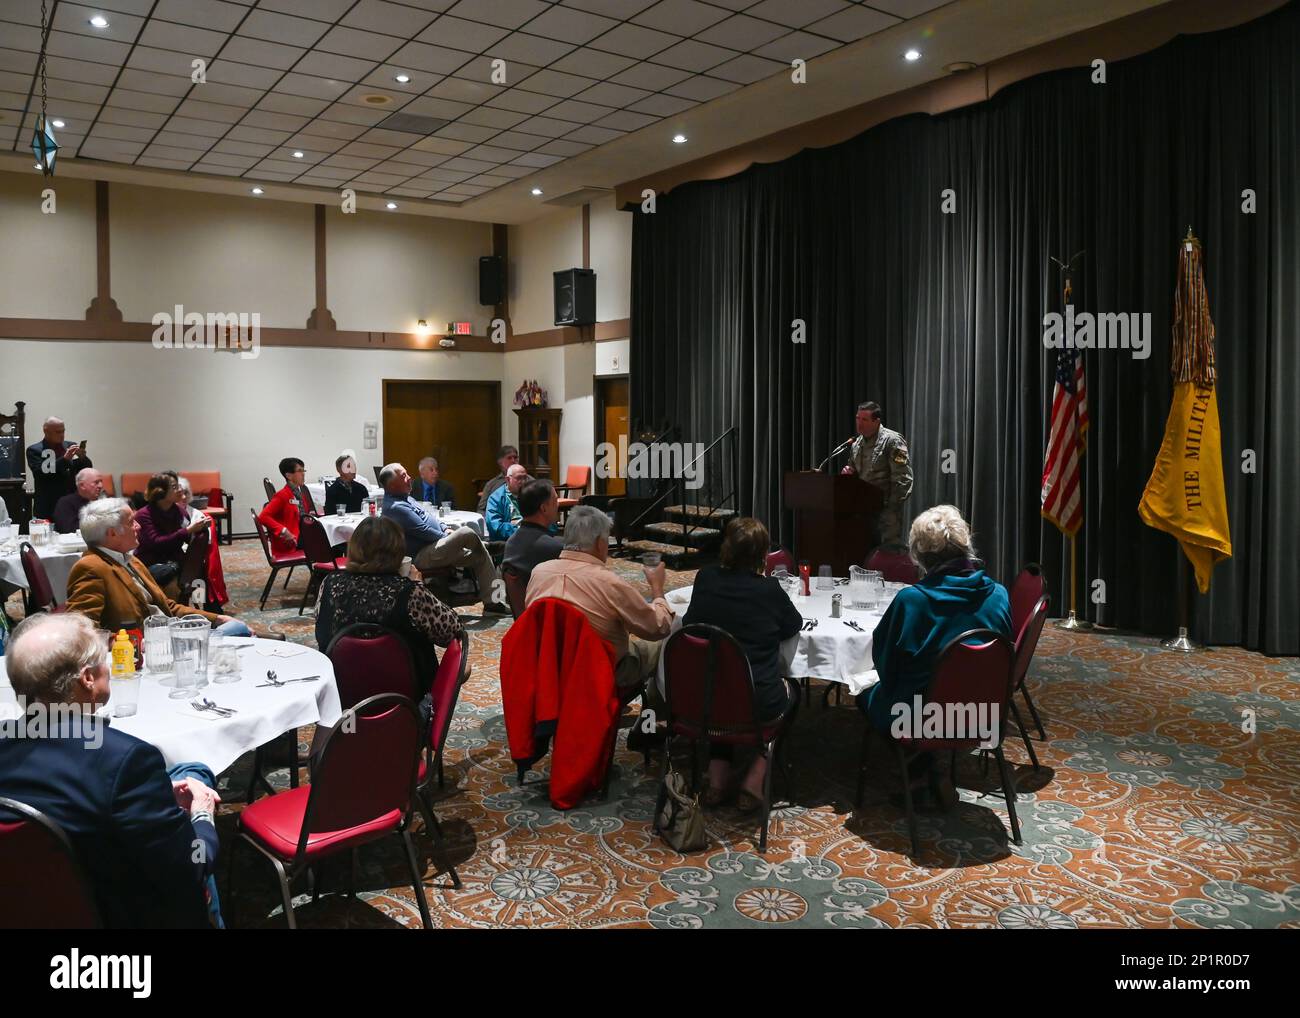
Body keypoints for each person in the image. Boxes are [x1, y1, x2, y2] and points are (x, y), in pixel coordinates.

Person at [0, 612, 224, 927]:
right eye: (104, 659)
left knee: (186, 772)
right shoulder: (126, 760)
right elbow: (190, 867)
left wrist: (153, 796)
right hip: (120, 916)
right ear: (88, 678)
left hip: (24, 906)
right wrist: (201, 816)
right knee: (196, 783)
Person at [856, 504, 1011, 807]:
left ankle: (918, 772)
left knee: (867, 695)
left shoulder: (912, 601)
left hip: (918, 720)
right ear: (966, 547)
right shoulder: (999, 594)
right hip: (985, 716)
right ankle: (927, 770)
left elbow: (886, 667)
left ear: (920, 556)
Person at [683, 518, 802, 811]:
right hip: (756, 701)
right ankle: (755, 777)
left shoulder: (705, 578)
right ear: (763, 555)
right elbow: (794, 625)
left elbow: (690, 625)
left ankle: (718, 777)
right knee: (794, 691)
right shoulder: (769, 590)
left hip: (702, 698)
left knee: (723, 676)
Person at [526, 505, 672, 693]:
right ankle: (658, 713)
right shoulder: (609, 583)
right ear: (600, 543)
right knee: (665, 642)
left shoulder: (539, 572)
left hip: (549, 668)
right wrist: (657, 590)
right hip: (600, 673)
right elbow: (657, 628)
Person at [316, 516, 464, 697]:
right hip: (405, 704)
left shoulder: (329, 585)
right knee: (462, 668)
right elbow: (454, 631)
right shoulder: (410, 593)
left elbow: (321, 628)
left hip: (341, 700)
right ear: (398, 553)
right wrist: (419, 585)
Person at [65, 498, 251, 635]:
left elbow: (166, 606)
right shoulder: (91, 567)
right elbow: (81, 631)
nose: (138, 526)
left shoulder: (130, 560)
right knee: (240, 631)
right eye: (132, 522)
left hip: (170, 634)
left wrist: (215, 618)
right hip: (154, 647)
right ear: (113, 533)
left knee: (236, 628)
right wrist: (135, 645)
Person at [379, 462, 508, 613]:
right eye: (403, 476)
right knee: (465, 532)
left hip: (436, 547)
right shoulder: (395, 507)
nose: (409, 478)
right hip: (421, 555)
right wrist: (446, 535)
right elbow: (424, 530)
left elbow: (429, 518)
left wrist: (445, 528)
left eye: (407, 474)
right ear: (392, 485)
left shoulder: (406, 498)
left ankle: (494, 602)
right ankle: (485, 544)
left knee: (480, 555)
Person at [841, 401, 913, 546]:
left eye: (864, 420)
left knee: (886, 556)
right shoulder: (856, 444)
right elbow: (856, 475)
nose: (859, 424)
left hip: (885, 514)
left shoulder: (893, 441)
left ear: (876, 421)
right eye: (857, 418)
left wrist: (890, 509)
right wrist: (848, 473)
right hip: (862, 513)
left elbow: (903, 479)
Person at [134, 472, 206, 587]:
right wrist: (187, 531)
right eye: (174, 487)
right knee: (172, 582)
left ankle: (209, 604)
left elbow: (186, 538)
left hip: (174, 560)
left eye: (178, 485)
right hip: (152, 563)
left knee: (201, 572)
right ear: (160, 491)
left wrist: (198, 529)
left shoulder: (179, 511)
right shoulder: (144, 515)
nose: (180, 490)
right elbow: (157, 543)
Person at [176, 476, 229, 610]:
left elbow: (197, 548)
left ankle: (195, 606)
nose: (182, 497)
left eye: (185, 493)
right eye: (178, 494)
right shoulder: (167, 516)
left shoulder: (197, 516)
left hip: (190, 564)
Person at [25, 416, 93, 520]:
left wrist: (83, 458)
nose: (62, 435)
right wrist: (65, 459)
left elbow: (86, 469)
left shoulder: (70, 445)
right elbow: (41, 473)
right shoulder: (35, 450)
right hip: (48, 506)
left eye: (63, 431)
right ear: (46, 431)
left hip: (71, 505)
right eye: (58, 432)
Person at [503, 478, 564, 582]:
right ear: (544, 508)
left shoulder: (511, 542)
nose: (558, 505)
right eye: (555, 501)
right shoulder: (555, 548)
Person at [257, 457, 313, 555]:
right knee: (328, 543)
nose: (303, 474)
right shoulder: (282, 495)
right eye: (299, 471)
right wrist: (283, 530)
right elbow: (263, 517)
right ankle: (327, 569)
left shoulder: (299, 493)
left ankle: (325, 569)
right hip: (293, 541)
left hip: (302, 534)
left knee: (329, 538)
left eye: (303, 470)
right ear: (289, 476)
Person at [52, 467, 104, 534]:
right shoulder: (65, 503)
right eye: (96, 482)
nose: (101, 486)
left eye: (101, 482)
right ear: (82, 485)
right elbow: (68, 529)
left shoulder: (104, 501)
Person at [485, 463, 528, 541]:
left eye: (525, 478)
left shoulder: (531, 494)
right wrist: (522, 531)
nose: (523, 481)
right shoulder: (496, 498)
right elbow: (495, 527)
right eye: (519, 478)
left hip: (532, 537)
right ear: (508, 479)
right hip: (507, 542)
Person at [476, 444, 519, 514]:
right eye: (509, 458)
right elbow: (481, 509)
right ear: (500, 462)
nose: (513, 461)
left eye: (515, 457)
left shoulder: (529, 481)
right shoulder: (491, 484)